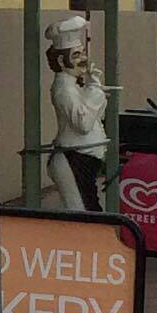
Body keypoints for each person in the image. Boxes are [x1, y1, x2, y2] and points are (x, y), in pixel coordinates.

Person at [44, 11, 109, 212]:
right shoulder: (64, 89)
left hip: (84, 159)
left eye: (82, 53)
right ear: (61, 61)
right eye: (76, 55)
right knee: (82, 213)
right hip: (73, 159)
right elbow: (83, 124)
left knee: (90, 210)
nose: (83, 59)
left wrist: (93, 86)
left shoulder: (74, 86)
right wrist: (95, 92)